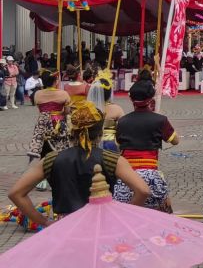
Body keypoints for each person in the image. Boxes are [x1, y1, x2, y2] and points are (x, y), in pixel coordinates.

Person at [8, 101, 150, 223]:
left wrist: (44, 222)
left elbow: (16, 193)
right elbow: (143, 190)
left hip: (67, 226)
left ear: (72, 131)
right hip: (102, 224)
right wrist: (123, 218)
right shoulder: (112, 159)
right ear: (100, 133)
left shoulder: (51, 159)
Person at [113, 79, 180, 212]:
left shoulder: (122, 122)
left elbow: (118, 144)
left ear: (131, 99)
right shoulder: (160, 120)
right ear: (150, 99)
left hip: (127, 177)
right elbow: (175, 140)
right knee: (162, 213)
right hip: (151, 176)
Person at [28, 70, 71, 161]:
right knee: (60, 145)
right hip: (58, 122)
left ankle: (44, 164)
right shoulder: (63, 94)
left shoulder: (37, 94)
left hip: (42, 122)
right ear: (55, 82)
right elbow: (67, 111)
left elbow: (39, 108)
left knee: (44, 147)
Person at [87, 75, 125, 152]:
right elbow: (124, 130)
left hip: (91, 144)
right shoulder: (117, 109)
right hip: (111, 145)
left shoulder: (87, 110)